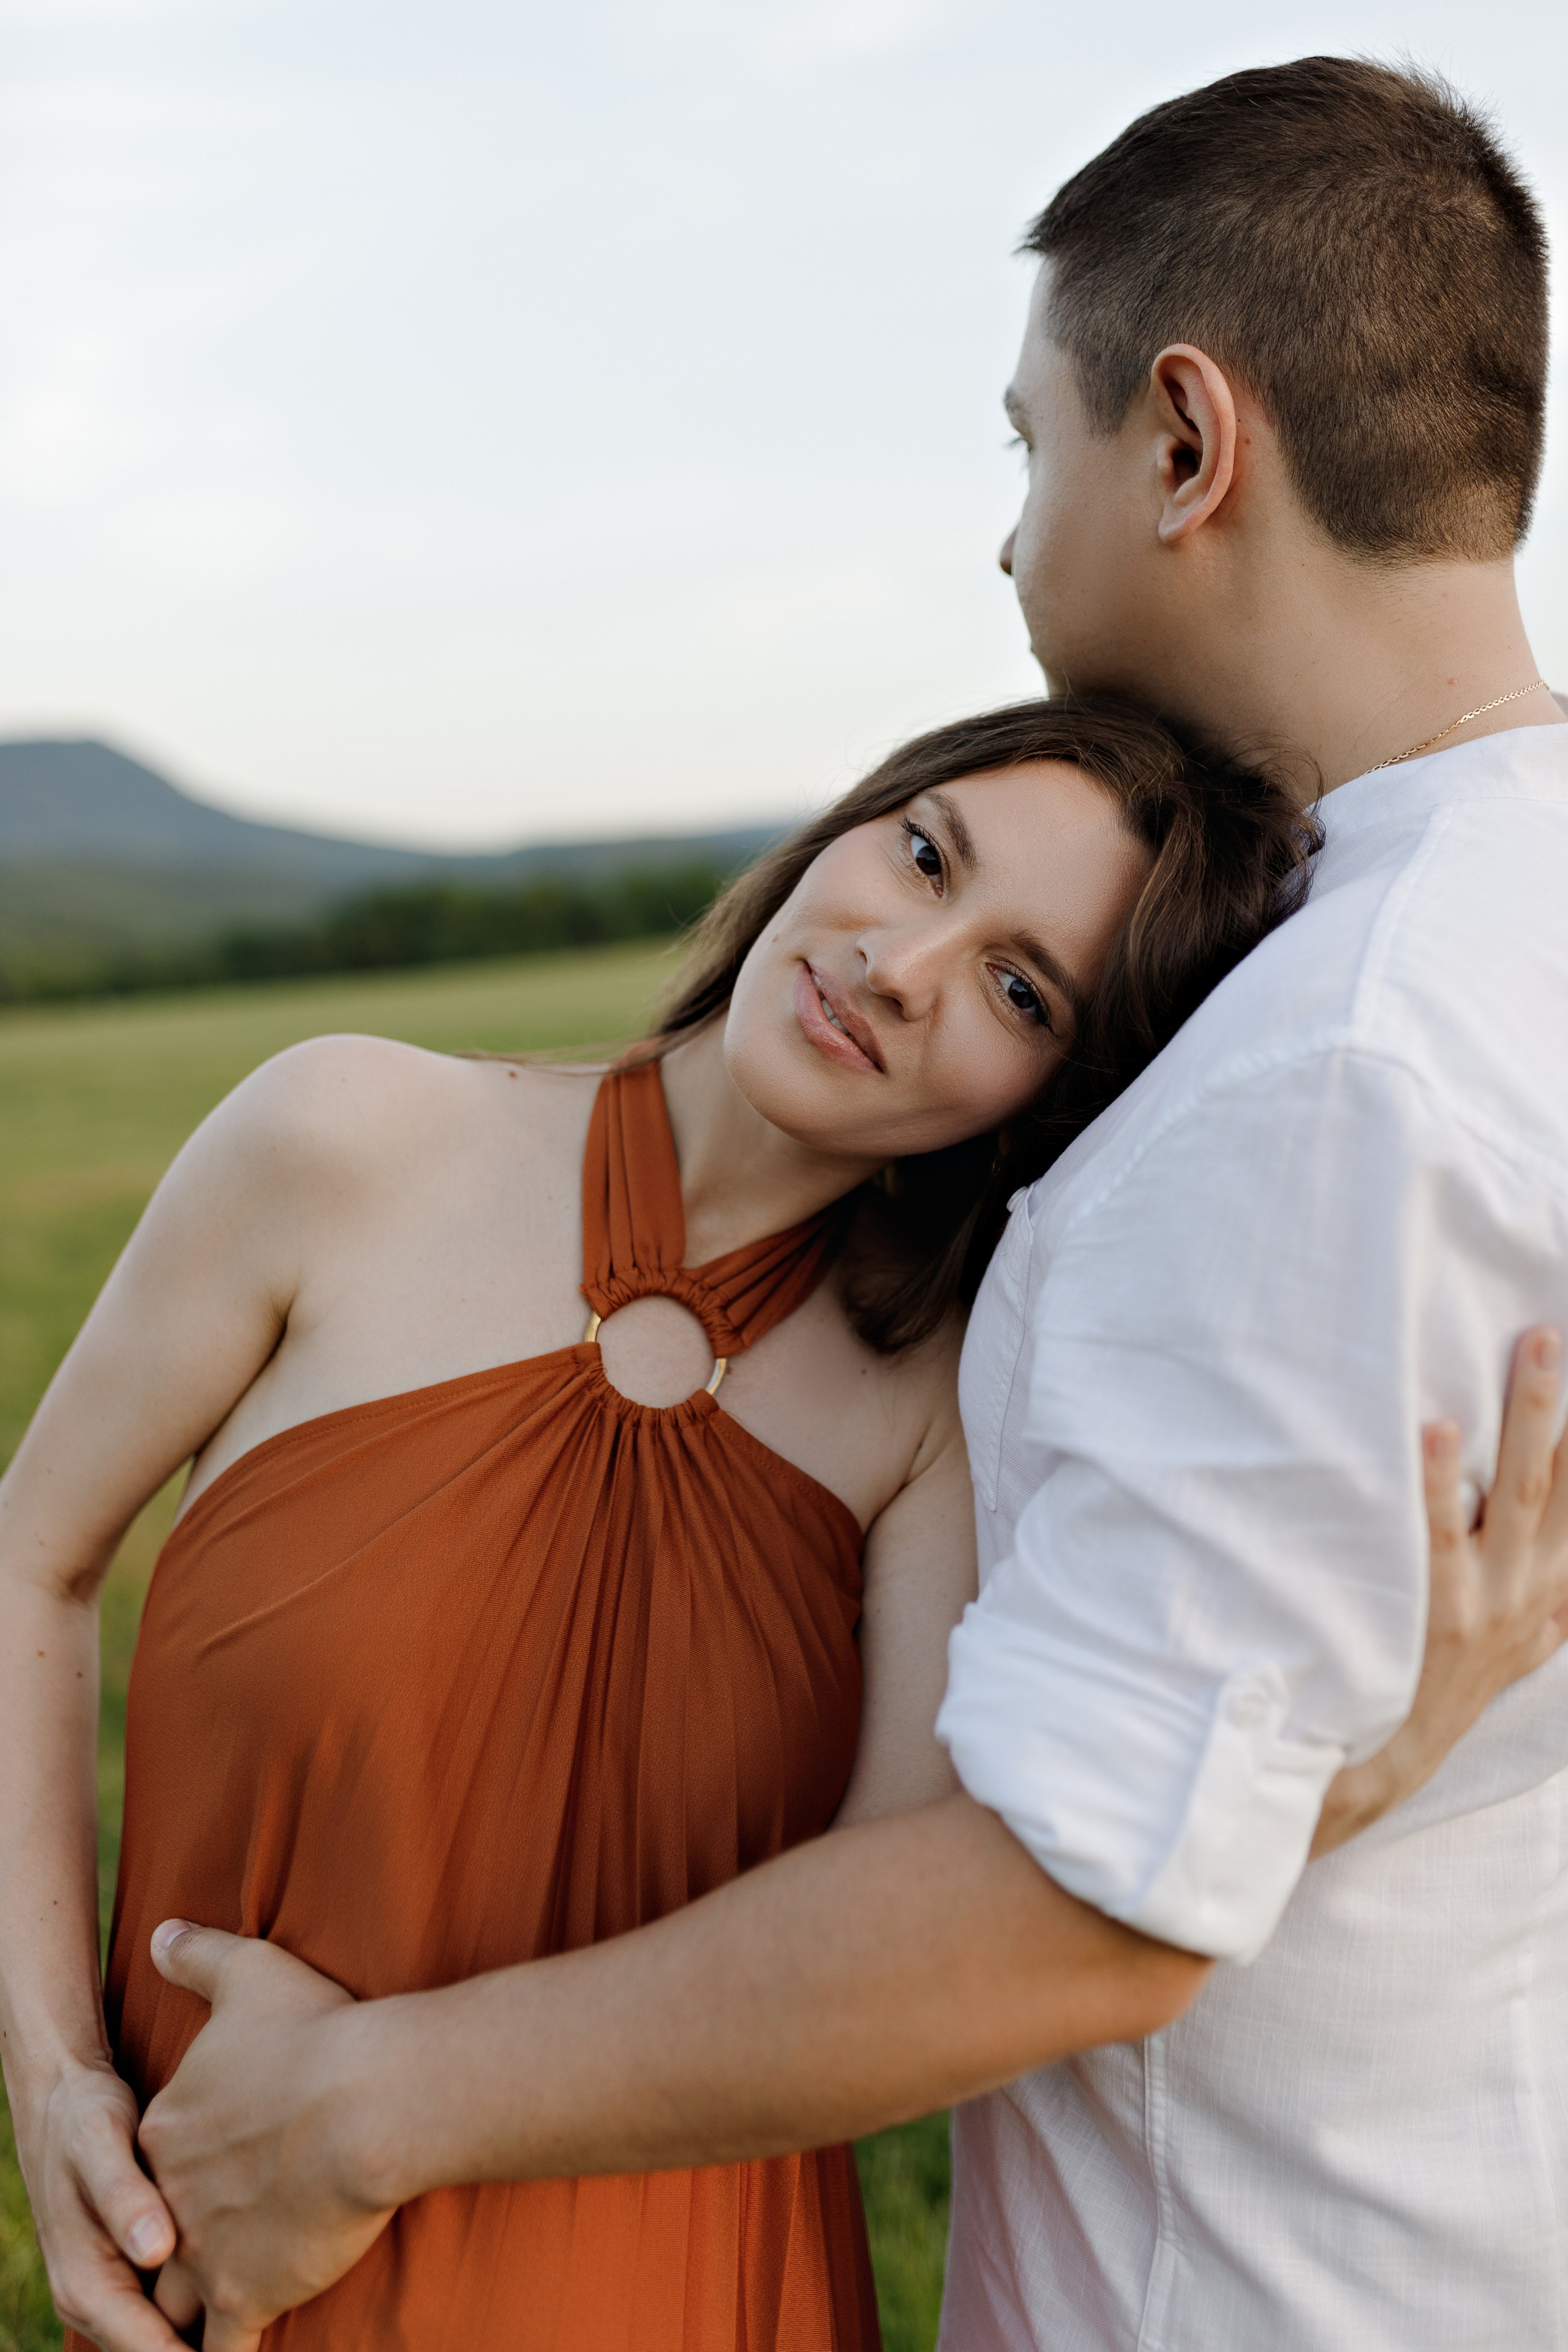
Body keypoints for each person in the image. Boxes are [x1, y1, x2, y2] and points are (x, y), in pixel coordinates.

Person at [4, 50, 1566, 2352]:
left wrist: (1307, 1794)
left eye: (1032, 452)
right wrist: (52, 2061)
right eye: (925, 852)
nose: (1017, 542)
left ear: (1185, 444)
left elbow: (1053, 1891)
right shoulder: (346, 1133)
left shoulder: (1312, 1069)